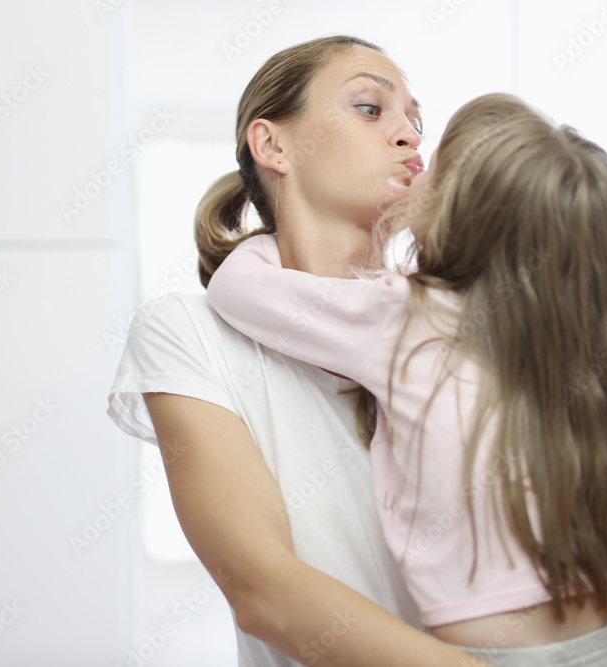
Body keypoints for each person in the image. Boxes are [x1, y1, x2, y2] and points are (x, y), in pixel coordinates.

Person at [206, 92, 607, 665]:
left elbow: (236, 289)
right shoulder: (563, 339)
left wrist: (264, 232)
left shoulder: (405, 317)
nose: (414, 147)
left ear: (460, 210)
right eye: (373, 110)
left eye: (436, 157)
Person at [108, 35, 500, 666]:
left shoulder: (466, 323)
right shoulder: (190, 333)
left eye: (415, 121)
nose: (410, 135)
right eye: (371, 108)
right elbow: (266, 591)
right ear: (273, 145)